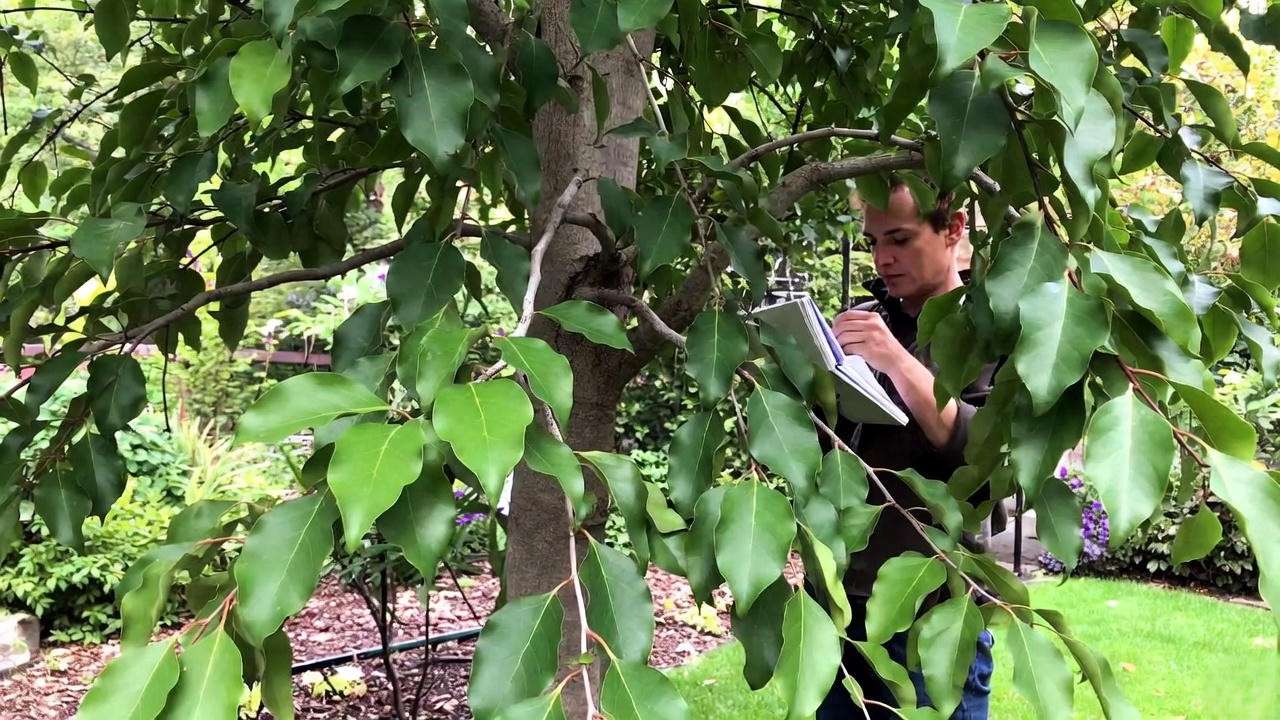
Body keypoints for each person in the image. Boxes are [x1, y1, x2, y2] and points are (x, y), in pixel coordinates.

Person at [814, 177, 999, 720]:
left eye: (899, 238)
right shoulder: (873, 318)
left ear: (953, 231)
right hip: (841, 610)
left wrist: (894, 359)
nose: (883, 258)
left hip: (931, 623)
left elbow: (985, 464)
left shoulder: (987, 331)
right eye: (873, 241)